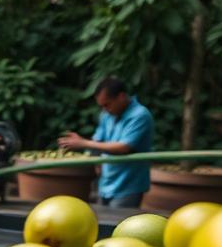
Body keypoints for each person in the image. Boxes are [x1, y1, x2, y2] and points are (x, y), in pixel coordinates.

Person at [59, 77, 154, 207]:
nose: (104, 109)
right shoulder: (106, 114)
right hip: (105, 184)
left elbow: (123, 147)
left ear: (121, 96)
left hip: (128, 187)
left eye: (107, 104)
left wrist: (84, 143)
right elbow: (98, 139)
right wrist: (95, 159)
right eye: (102, 106)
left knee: (117, 225)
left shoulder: (140, 115)